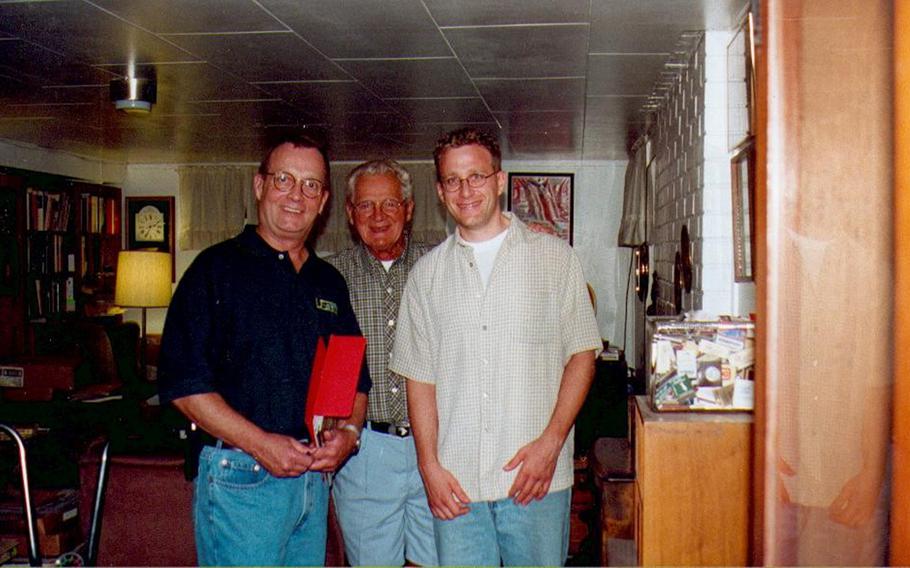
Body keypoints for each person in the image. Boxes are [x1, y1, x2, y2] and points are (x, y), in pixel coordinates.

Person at [390, 128, 602, 566]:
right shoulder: (426, 278)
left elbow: (582, 355)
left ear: (500, 181)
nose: (466, 190)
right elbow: (420, 380)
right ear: (439, 191)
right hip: (457, 487)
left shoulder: (555, 259)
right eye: (453, 180)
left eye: (477, 176)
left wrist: (552, 443)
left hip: (535, 479)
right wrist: (429, 467)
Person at [157, 133, 370, 567]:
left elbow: (355, 381)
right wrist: (260, 445)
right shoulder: (215, 269)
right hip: (239, 477)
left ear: (324, 199)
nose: (297, 195)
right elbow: (183, 387)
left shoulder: (328, 280)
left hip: (311, 481)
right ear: (259, 186)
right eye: (284, 180)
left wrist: (347, 435)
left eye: (311, 185)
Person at [328, 159, 437, 566]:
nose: (377, 217)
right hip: (365, 451)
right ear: (350, 213)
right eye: (366, 205)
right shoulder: (328, 276)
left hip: (438, 445)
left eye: (389, 204)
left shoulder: (440, 266)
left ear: (409, 209)